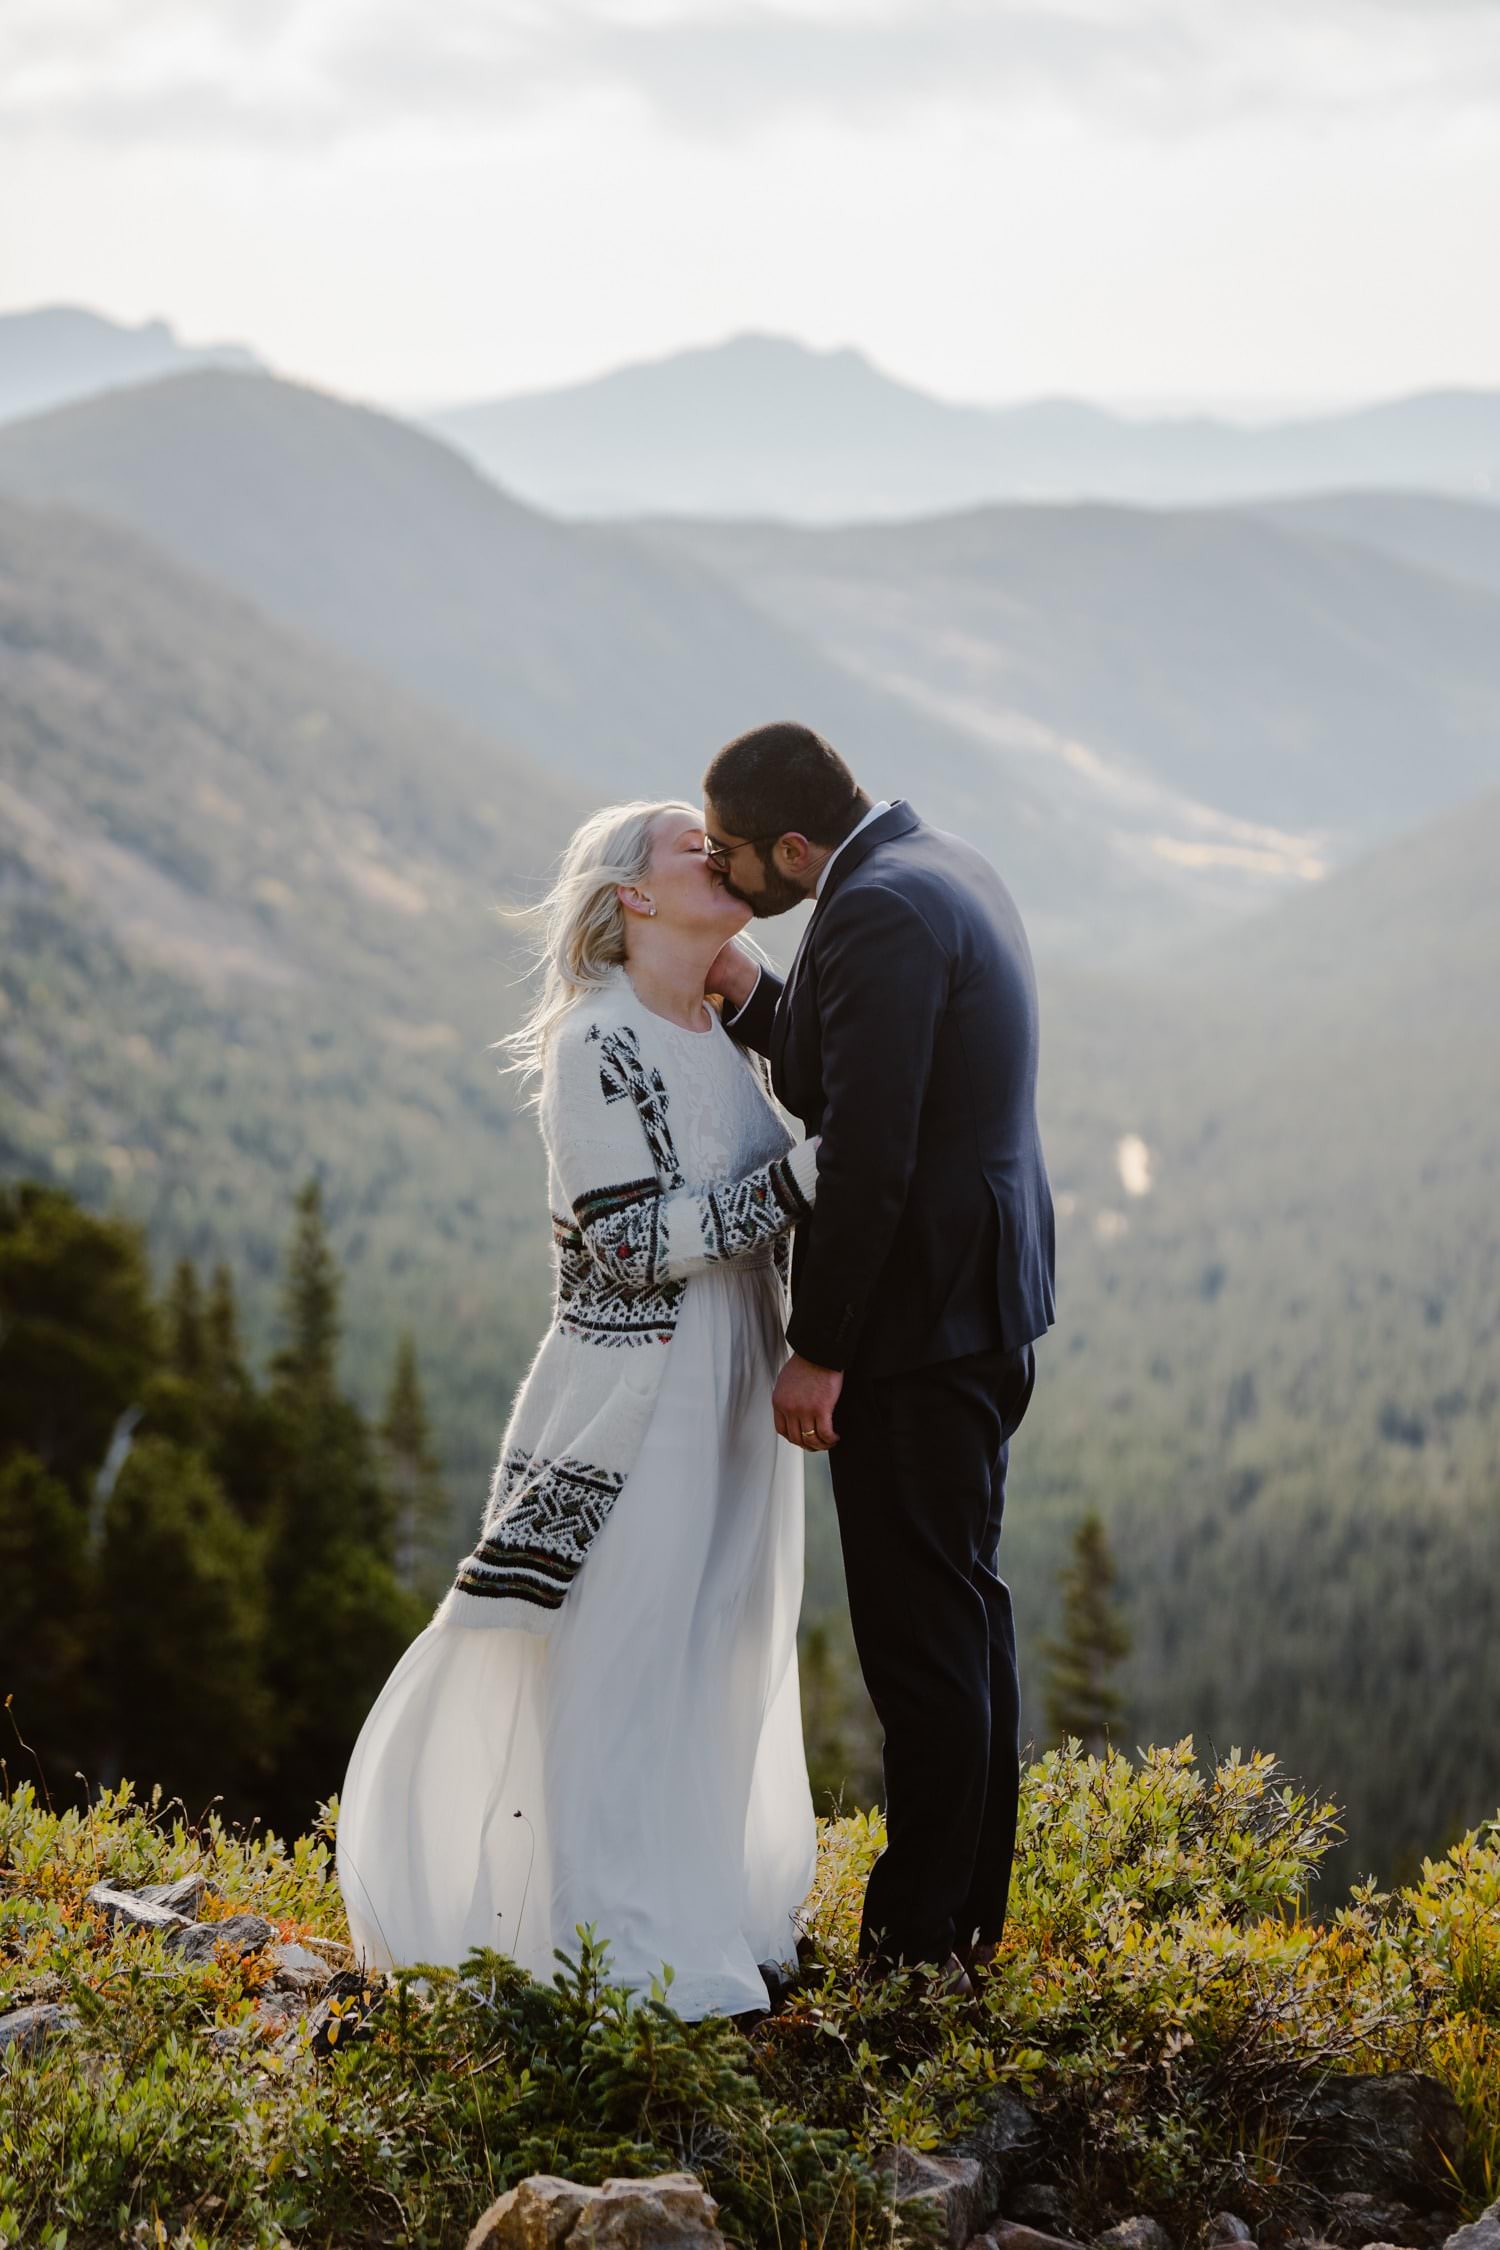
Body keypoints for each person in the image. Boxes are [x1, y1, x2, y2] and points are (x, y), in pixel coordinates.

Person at [336, 801, 821, 2022]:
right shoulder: (593, 1042)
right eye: (687, 845)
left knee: (724, 1633)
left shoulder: (713, 1027)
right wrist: (801, 1182)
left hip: (735, 1373)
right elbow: (622, 1245)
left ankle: (702, 1908)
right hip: (640, 1385)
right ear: (633, 898)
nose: (717, 853)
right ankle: (615, 1945)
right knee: (627, 1642)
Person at [702, 721, 1056, 1993]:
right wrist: (752, 997)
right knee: (963, 1615)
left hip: (919, 1331)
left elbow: (866, 1157)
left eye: (735, 857)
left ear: (794, 847)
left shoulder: (880, 916)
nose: (727, 876)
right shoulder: (933, 865)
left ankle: (915, 1957)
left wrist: (819, 1352)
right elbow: (856, 1069)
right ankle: (965, 1927)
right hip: (982, 1306)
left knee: (919, 1644)